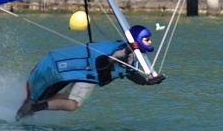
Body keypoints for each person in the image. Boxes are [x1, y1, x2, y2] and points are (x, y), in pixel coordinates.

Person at [16, 25, 165, 120]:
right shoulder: (124, 50)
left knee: (66, 96)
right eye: (147, 39)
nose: (150, 42)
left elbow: (130, 73)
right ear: (138, 40)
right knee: (72, 104)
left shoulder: (132, 54)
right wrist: (119, 57)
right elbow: (108, 59)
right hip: (88, 75)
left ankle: (33, 105)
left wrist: (147, 82)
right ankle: (34, 108)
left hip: (85, 74)